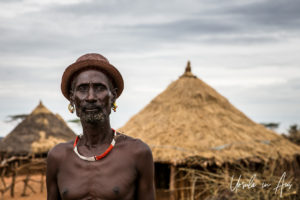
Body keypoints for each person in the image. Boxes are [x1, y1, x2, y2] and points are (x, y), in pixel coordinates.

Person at [46, 53, 155, 200]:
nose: (90, 97)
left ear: (113, 97)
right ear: (72, 99)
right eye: (83, 88)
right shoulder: (58, 157)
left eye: (99, 88)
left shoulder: (138, 153)